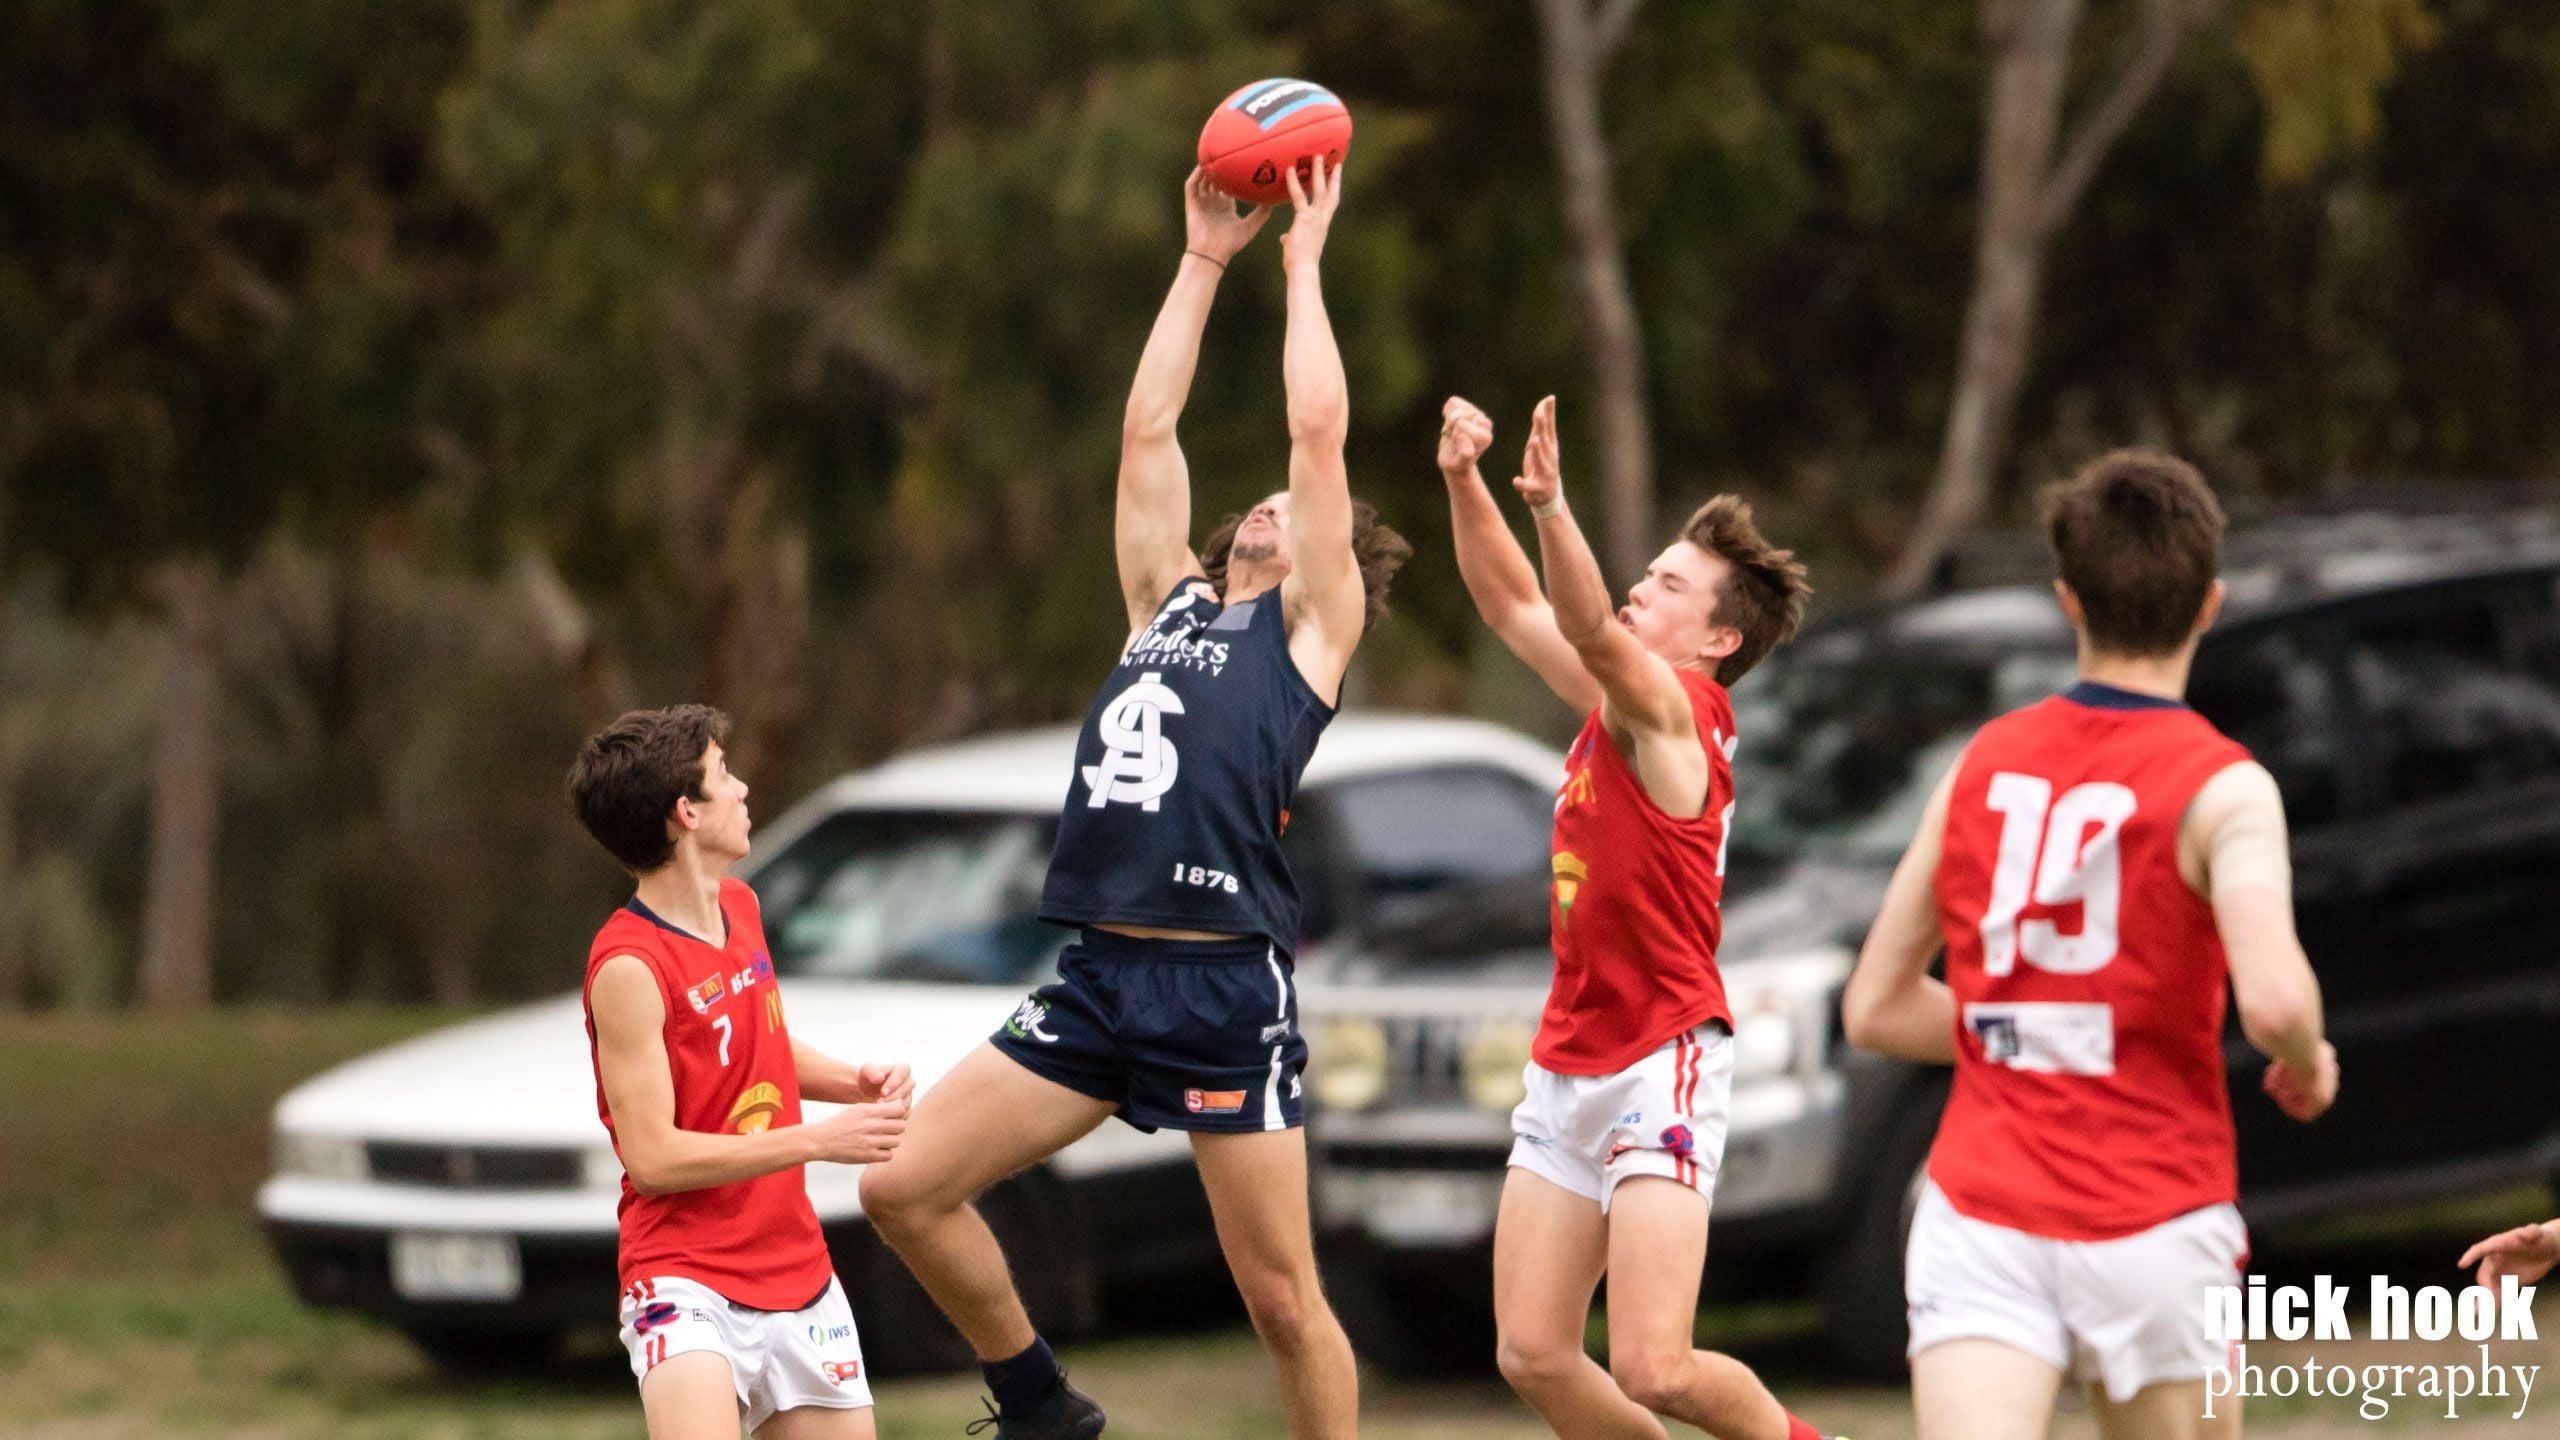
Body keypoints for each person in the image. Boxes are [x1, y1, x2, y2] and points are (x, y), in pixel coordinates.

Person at [856, 158, 1408, 1440]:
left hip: (1220, 984)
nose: (1271, 502)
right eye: (1263, 500)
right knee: (902, 1187)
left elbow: (1316, 428)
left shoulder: (1311, 632)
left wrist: (1304, 263)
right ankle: (1039, 1403)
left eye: (1296, 508)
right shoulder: (1162, 604)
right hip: (1103, 976)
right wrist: (1203, 259)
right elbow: (1147, 432)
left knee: (1280, 1302)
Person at [1841, 449, 2341, 1440]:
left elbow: (1875, 1008)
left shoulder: (1980, 765)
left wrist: (2024, 1032)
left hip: (1982, 1214)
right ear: (2209, 604)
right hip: (2154, 1219)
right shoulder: (2225, 787)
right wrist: (2309, 1061)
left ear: (2067, 600)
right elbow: (2278, 1003)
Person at [1437, 395, 1830, 1440]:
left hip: (1661, 1054)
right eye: (1646, 573)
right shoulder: (1618, 701)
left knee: (1655, 1366)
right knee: (1531, 1352)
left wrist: (1551, 506)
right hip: (1572, 1055)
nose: (1638, 590)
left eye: (1666, 586)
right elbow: (1510, 604)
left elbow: (1574, 621)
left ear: (1718, 637)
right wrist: (1463, 480)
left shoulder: (1679, 711)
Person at [570, 704, 918, 1440]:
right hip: (685, 1277)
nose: (743, 789)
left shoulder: (741, 905)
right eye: (724, 774)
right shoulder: (629, 966)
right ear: (686, 813)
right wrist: (818, 1140)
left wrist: (853, 1083)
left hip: (796, 1267)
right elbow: (654, 1159)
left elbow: (758, 1043)